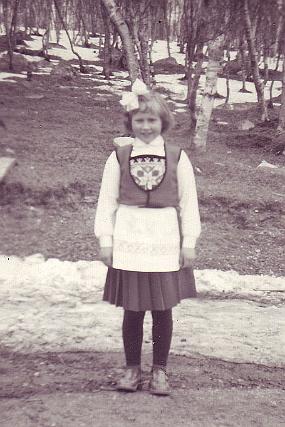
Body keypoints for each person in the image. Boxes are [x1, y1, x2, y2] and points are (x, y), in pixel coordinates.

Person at [94, 79, 201, 396]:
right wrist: (105, 239)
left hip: (164, 238)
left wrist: (189, 242)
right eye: (139, 120)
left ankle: (159, 370)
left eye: (151, 120)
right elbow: (106, 201)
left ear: (162, 122)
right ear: (130, 122)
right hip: (130, 237)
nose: (145, 126)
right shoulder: (119, 157)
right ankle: (131, 368)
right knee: (133, 309)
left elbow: (188, 202)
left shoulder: (177, 156)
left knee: (163, 309)